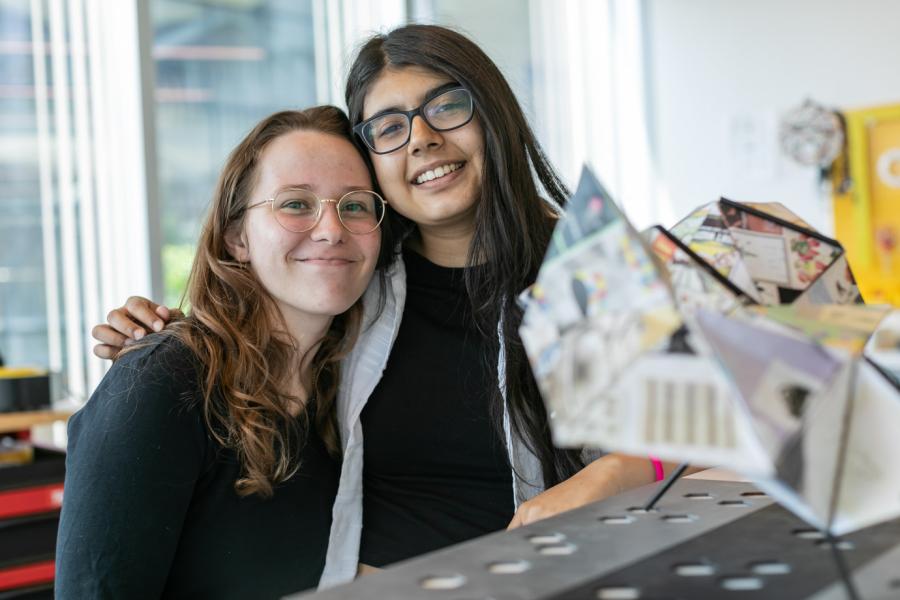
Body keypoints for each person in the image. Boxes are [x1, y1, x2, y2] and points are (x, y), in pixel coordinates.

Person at [92, 25, 671, 588]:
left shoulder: (591, 272)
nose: (421, 138)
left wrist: (622, 468)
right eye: (389, 126)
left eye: (447, 106)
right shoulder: (356, 282)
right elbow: (254, 313)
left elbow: (715, 429)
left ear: (494, 115)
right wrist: (159, 340)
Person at [57, 106, 388, 599]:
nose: (331, 229)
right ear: (238, 237)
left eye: (355, 205)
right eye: (296, 204)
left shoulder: (350, 392)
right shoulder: (165, 380)